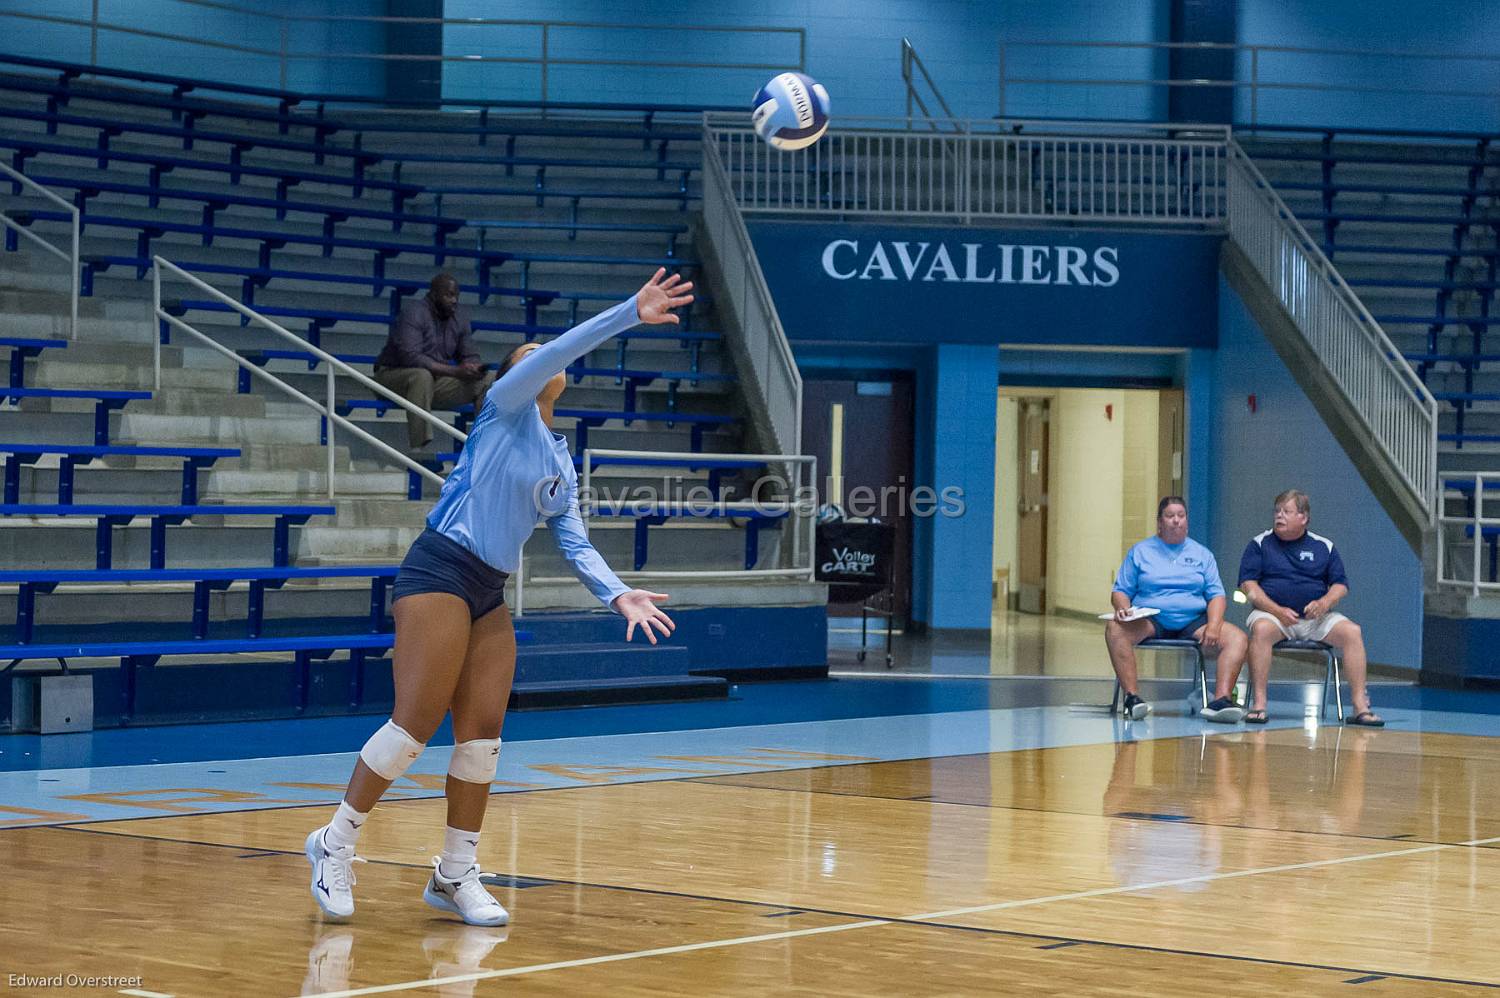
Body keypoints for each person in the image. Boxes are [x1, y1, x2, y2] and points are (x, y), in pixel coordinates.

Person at [306, 269, 693, 925]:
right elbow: (558, 351)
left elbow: (575, 541)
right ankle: (333, 843)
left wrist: (618, 594)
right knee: (411, 730)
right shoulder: (504, 408)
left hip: (488, 590)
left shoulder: (559, 461)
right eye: (531, 355)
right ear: (518, 373)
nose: (541, 359)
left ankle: (454, 874)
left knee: (482, 740)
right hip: (439, 571)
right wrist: (631, 310)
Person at [1233, 489, 1383, 727]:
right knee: (1260, 630)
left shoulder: (1323, 546)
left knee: (1352, 632)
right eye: (1277, 511)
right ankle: (1259, 704)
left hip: (1316, 619)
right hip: (1274, 616)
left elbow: (1340, 585)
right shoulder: (1259, 544)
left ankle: (1360, 708)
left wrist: (1324, 603)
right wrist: (1276, 610)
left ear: (1303, 517)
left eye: (1287, 511)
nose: (1279, 516)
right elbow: (1248, 586)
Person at [1106, 496, 1248, 722]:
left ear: (1187, 521)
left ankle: (1221, 701)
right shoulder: (1140, 552)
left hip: (1194, 620)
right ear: (1159, 522)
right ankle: (1132, 698)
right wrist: (1124, 608)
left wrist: (1214, 625)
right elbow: (1120, 590)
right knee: (1115, 629)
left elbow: (1216, 596)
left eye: (1181, 516)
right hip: (1151, 619)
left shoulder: (1202, 555)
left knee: (1237, 638)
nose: (1176, 521)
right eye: (1170, 516)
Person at [374, 272, 497, 453]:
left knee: (489, 379)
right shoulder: (414, 313)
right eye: (448, 295)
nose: (454, 300)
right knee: (421, 376)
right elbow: (411, 357)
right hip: (392, 378)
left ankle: (482, 445)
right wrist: (455, 372)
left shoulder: (459, 318)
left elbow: (469, 353)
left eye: (456, 296)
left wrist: (473, 367)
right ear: (433, 295)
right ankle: (419, 448)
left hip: (435, 382)